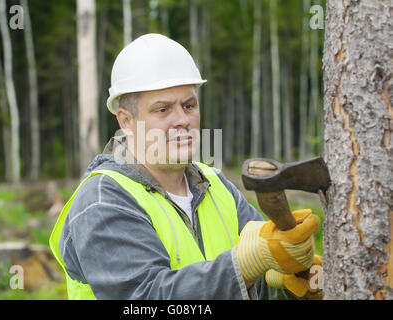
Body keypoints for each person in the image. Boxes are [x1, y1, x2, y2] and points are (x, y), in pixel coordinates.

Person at [49, 33, 321, 300]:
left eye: (189, 105)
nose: (182, 119)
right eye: (163, 109)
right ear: (126, 121)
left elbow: (253, 276)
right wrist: (246, 265)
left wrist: (280, 281)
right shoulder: (103, 200)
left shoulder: (216, 185)